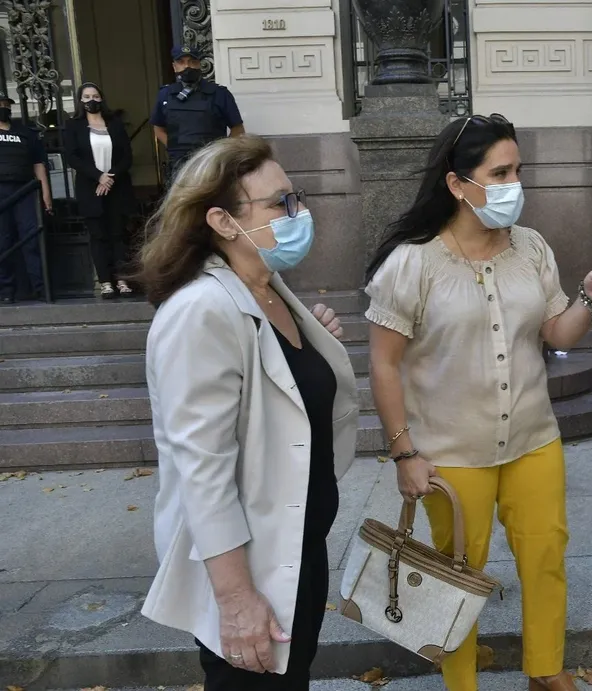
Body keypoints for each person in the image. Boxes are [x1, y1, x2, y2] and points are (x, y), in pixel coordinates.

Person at [363, 113, 592, 691]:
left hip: (533, 439)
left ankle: (546, 671)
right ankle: (462, 685)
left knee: (545, 558)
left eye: (518, 171)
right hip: (451, 453)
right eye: (499, 173)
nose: (513, 185)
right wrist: (405, 453)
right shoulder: (414, 261)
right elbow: (383, 362)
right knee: (458, 575)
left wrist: (589, 298)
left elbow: (556, 333)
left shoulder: (530, 247)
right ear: (457, 184)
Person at [138, 135, 359, 691]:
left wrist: (312, 349)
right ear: (223, 220)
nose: (299, 213)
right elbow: (202, 471)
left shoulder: (269, 290)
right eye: (279, 204)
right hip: (249, 571)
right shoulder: (201, 310)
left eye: (297, 198)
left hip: (296, 546)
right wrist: (236, 601)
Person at [63, 82, 137, 298]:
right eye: (86, 97)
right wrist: (99, 177)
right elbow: (72, 156)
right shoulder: (73, 125)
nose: (91, 100)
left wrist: (110, 176)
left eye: (95, 96)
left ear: (102, 98)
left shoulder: (114, 123)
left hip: (116, 186)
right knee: (98, 236)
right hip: (91, 188)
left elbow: (126, 155)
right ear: (80, 101)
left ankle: (122, 280)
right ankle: (105, 282)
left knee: (118, 235)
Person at [151, 45, 245, 183]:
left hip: (211, 166)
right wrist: (174, 148)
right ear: (174, 66)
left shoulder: (219, 94)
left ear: (199, 64)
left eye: (191, 61)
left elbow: (238, 129)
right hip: (180, 167)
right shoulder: (165, 94)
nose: (187, 67)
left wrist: (219, 153)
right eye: (181, 62)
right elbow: (158, 128)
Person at [0, 91, 52, 303]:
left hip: (24, 191)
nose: (4, 107)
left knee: (32, 240)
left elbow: (39, 165)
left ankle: (41, 287)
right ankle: (6, 290)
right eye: (0, 104)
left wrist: (46, 195)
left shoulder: (25, 132)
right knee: (2, 242)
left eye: (6, 104)